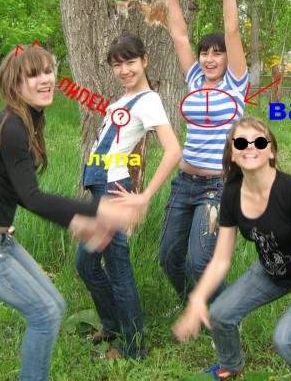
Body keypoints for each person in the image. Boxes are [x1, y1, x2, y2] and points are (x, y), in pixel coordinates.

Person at [0, 44, 141, 381]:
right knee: (45, 314)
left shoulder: (26, 121)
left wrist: (78, 221)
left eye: (48, 71)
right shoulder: (10, 127)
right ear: (15, 84)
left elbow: (20, 195)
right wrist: (99, 209)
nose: (45, 80)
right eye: (33, 75)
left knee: (55, 306)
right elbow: (33, 198)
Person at [172, 117, 291, 380]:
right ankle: (231, 366)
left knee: (286, 339)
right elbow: (221, 259)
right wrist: (197, 298)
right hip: (272, 269)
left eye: (259, 142)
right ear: (232, 153)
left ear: (271, 151)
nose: (250, 146)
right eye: (241, 142)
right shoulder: (231, 193)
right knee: (220, 314)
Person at [77, 33, 181, 358]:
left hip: (113, 192)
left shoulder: (148, 100)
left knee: (118, 269)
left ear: (145, 60)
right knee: (86, 264)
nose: (124, 70)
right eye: (117, 65)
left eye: (130, 62)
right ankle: (112, 325)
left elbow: (173, 150)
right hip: (101, 189)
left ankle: (134, 346)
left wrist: (145, 195)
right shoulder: (121, 101)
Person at [160, 0, 249, 302]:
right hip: (183, 183)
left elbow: (232, 29)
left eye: (217, 52)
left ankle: (224, 317)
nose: (209, 59)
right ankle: (195, 307)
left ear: (227, 57)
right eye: (205, 53)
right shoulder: (195, 79)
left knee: (200, 263)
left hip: (217, 186)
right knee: (168, 259)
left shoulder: (236, 83)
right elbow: (179, 35)